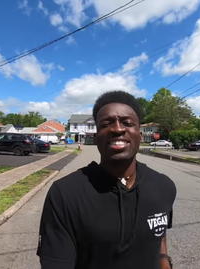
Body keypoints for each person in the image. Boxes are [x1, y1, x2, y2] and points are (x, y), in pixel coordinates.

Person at [37, 90, 177, 269]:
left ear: (140, 136)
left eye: (127, 123)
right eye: (106, 123)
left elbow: (160, 233)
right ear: (95, 138)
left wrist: (164, 259)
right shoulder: (65, 194)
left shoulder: (164, 187)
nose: (118, 129)